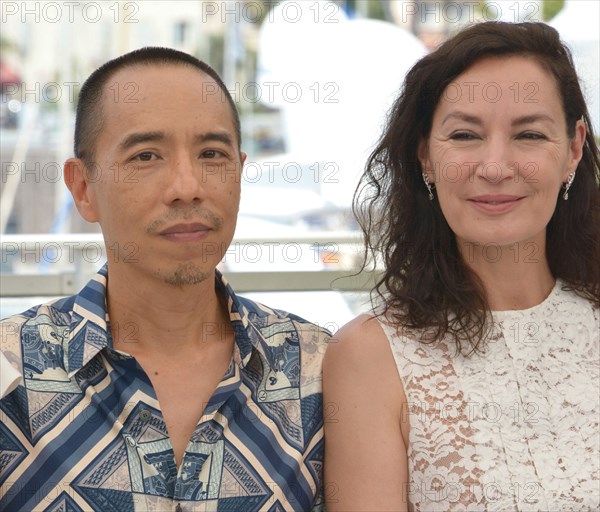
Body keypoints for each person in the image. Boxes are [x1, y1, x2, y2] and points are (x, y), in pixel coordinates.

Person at [0, 47, 329, 512]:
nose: (187, 186)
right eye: (146, 155)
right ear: (83, 188)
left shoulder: (317, 373)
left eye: (212, 153)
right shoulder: (10, 372)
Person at [324, 21, 599, 511]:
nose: (494, 167)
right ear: (425, 155)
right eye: (466, 134)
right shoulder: (370, 356)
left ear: (574, 148)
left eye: (530, 134)